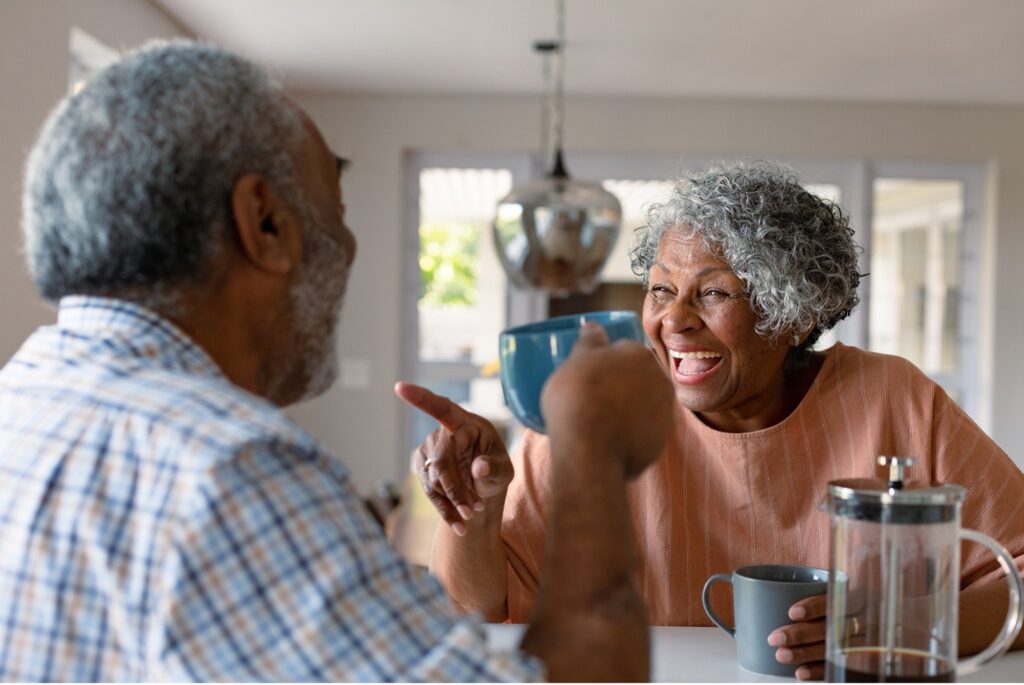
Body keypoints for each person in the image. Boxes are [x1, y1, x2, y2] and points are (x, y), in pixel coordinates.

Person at [0, 40, 676, 681]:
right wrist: (589, 441)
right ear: (264, 223)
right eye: (337, 211)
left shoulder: (22, 401)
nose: (347, 247)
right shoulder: (233, 472)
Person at [417, 162, 1024, 680]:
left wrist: (893, 623)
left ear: (794, 315)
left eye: (713, 293)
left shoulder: (896, 398)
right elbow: (472, 618)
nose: (672, 322)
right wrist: (474, 515)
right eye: (659, 290)